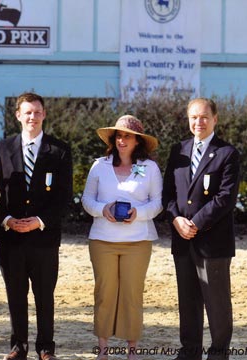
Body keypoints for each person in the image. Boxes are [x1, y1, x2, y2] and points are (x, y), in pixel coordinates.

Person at [0, 92, 73, 360]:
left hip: (44, 238)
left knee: (44, 296)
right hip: (10, 236)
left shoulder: (60, 150)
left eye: (37, 112)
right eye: (27, 112)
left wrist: (39, 221)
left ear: (44, 115)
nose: (32, 117)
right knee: (15, 295)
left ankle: (46, 347)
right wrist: (6, 220)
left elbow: (63, 197)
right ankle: (18, 346)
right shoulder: (1, 149)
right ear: (17, 115)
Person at [163, 98, 240, 360]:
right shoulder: (179, 151)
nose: (199, 122)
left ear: (215, 119)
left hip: (212, 243)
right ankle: (190, 351)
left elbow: (225, 198)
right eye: (194, 117)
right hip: (182, 240)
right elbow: (168, 195)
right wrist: (176, 220)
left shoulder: (227, 153)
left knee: (216, 304)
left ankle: (218, 354)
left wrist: (194, 223)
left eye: (205, 117)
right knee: (188, 302)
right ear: (188, 119)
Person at [81, 115, 162, 360]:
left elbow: (157, 203)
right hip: (102, 241)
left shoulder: (150, 168)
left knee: (132, 294)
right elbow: (87, 200)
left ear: (138, 140)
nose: (122, 140)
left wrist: (138, 214)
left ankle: (132, 352)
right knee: (104, 293)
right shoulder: (99, 165)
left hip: (138, 242)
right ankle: (103, 349)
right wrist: (102, 209)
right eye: (118, 135)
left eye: (127, 135)